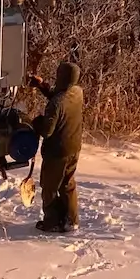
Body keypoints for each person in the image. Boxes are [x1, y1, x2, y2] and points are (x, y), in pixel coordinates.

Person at [29, 60, 83, 233]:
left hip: (57, 151)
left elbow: (47, 131)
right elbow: (59, 97)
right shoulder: (77, 92)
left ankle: (52, 222)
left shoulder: (56, 103)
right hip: (74, 147)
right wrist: (42, 86)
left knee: (49, 187)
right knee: (67, 184)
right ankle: (71, 220)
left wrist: (36, 122)